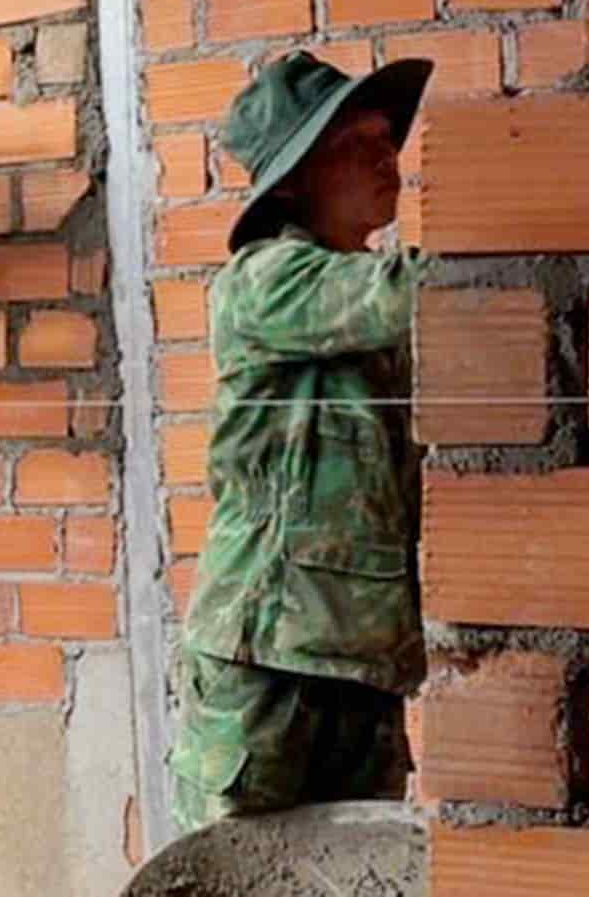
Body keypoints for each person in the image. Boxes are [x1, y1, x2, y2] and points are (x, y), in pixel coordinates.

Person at [168, 49, 436, 834]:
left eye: (388, 138)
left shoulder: (370, 299)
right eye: (358, 144)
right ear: (292, 180)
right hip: (267, 662)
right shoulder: (265, 280)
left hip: (362, 662)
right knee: (234, 880)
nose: (389, 158)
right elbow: (409, 291)